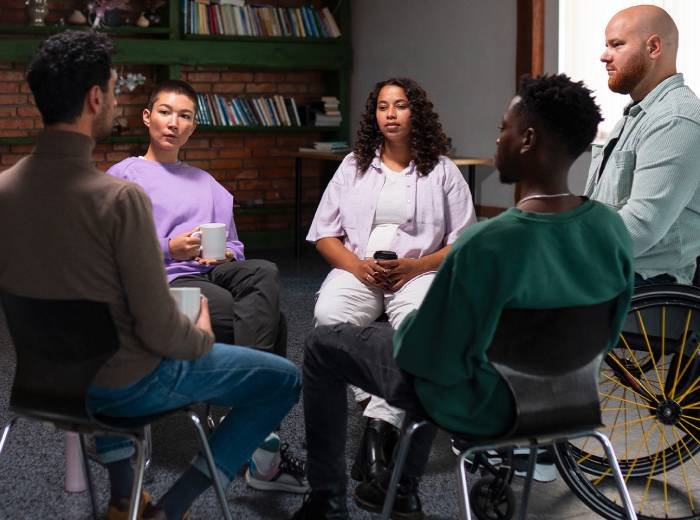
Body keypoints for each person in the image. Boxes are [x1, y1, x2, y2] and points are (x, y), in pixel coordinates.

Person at [291, 74, 635, 519]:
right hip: (571, 403)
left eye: (503, 128)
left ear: (528, 139)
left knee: (325, 346)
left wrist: (406, 321)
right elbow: (609, 328)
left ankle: (328, 502)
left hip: (481, 405)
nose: (497, 139)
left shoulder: (486, 243)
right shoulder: (611, 229)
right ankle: (398, 485)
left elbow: (428, 354)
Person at [0, 31, 300, 520]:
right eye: (114, 90)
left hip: (42, 377)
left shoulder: (6, 190)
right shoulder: (119, 196)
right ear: (95, 99)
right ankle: (173, 507)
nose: (116, 100)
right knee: (285, 379)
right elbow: (159, 329)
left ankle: (125, 497)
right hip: (125, 382)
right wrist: (200, 339)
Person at [106, 79, 307, 494]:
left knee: (264, 272)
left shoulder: (206, 182)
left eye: (184, 116)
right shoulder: (124, 175)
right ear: (147, 117)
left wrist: (225, 254)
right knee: (273, 319)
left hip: (209, 273)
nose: (173, 123)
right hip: (160, 283)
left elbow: (235, 245)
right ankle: (257, 438)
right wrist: (169, 247)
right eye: (165, 112)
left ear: (193, 127)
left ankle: (246, 413)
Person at [306, 78, 476, 483]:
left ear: (416, 112)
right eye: (383, 107)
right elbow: (324, 234)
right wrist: (356, 266)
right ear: (375, 116)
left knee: (418, 329)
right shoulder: (354, 166)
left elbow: (464, 242)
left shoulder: (443, 170)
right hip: (359, 269)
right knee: (328, 318)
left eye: (400, 105)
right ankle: (379, 407)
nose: (391, 114)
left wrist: (416, 267)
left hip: (419, 272)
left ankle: (378, 430)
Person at [585, 4, 700, 286]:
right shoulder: (637, 115)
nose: (604, 56)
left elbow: (640, 227)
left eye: (616, 45)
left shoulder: (675, 119)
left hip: (648, 286)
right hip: (614, 272)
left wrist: (564, 251)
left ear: (653, 47)